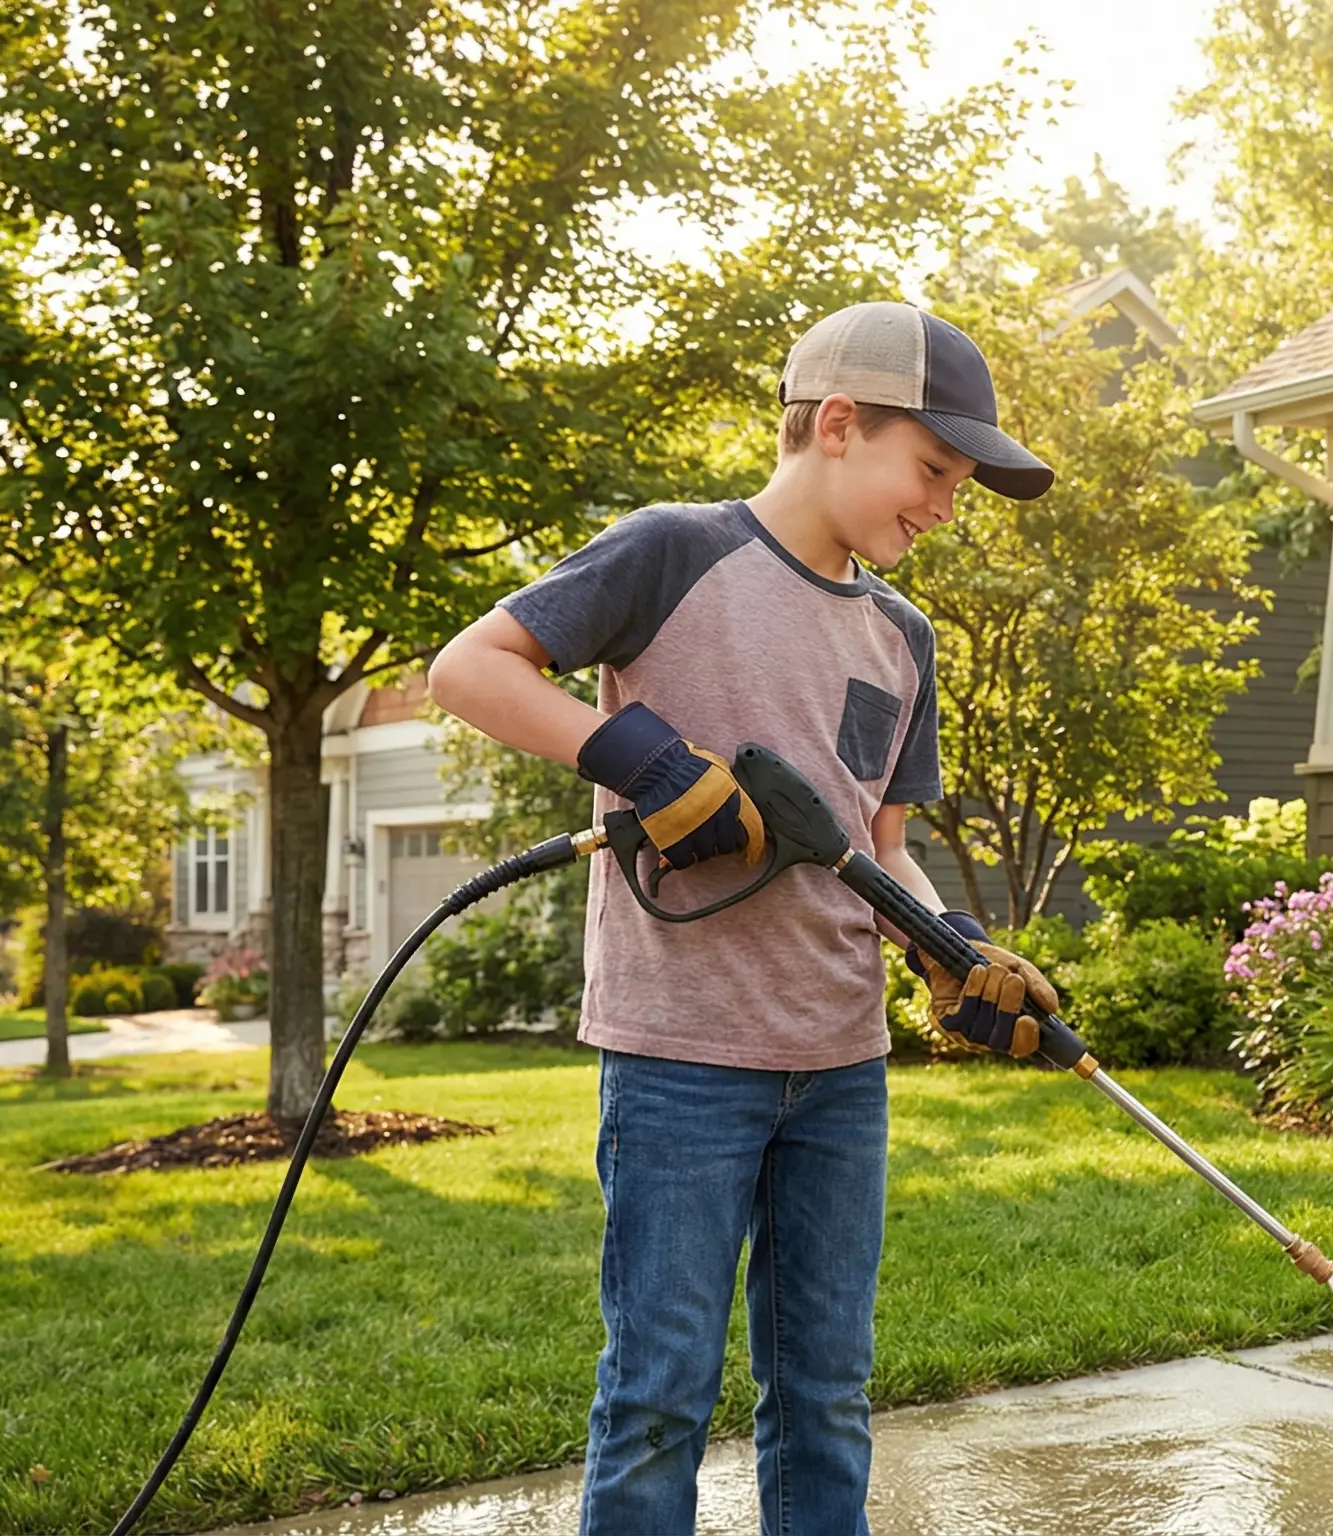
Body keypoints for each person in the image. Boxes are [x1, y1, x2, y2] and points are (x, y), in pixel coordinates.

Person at [428, 301, 1065, 1536]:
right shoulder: (672, 551)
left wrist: (951, 951)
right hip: (680, 1060)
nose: (946, 504)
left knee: (826, 1395)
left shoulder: (900, 634)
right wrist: (645, 763)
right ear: (837, 425)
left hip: (839, 1065)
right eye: (934, 468)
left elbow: (881, 847)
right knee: (659, 1397)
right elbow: (471, 670)